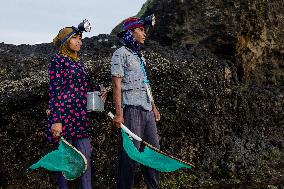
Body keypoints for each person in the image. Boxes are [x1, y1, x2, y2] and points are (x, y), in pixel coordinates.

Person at [46, 20, 107, 189]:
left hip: (80, 117)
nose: (79, 41)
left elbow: (86, 86)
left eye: (80, 38)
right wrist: (56, 120)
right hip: (63, 117)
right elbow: (54, 91)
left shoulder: (78, 63)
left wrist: (100, 90)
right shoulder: (58, 61)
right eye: (75, 38)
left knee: (85, 157)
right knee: (65, 160)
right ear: (66, 41)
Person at [111, 16, 161, 189]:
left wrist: (153, 106)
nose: (144, 33)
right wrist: (119, 114)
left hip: (147, 110)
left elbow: (145, 82)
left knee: (153, 152)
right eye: (140, 30)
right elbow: (116, 85)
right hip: (131, 109)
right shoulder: (120, 54)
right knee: (130, 155)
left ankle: (153, 187)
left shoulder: (140, 55)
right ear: (130, 33)